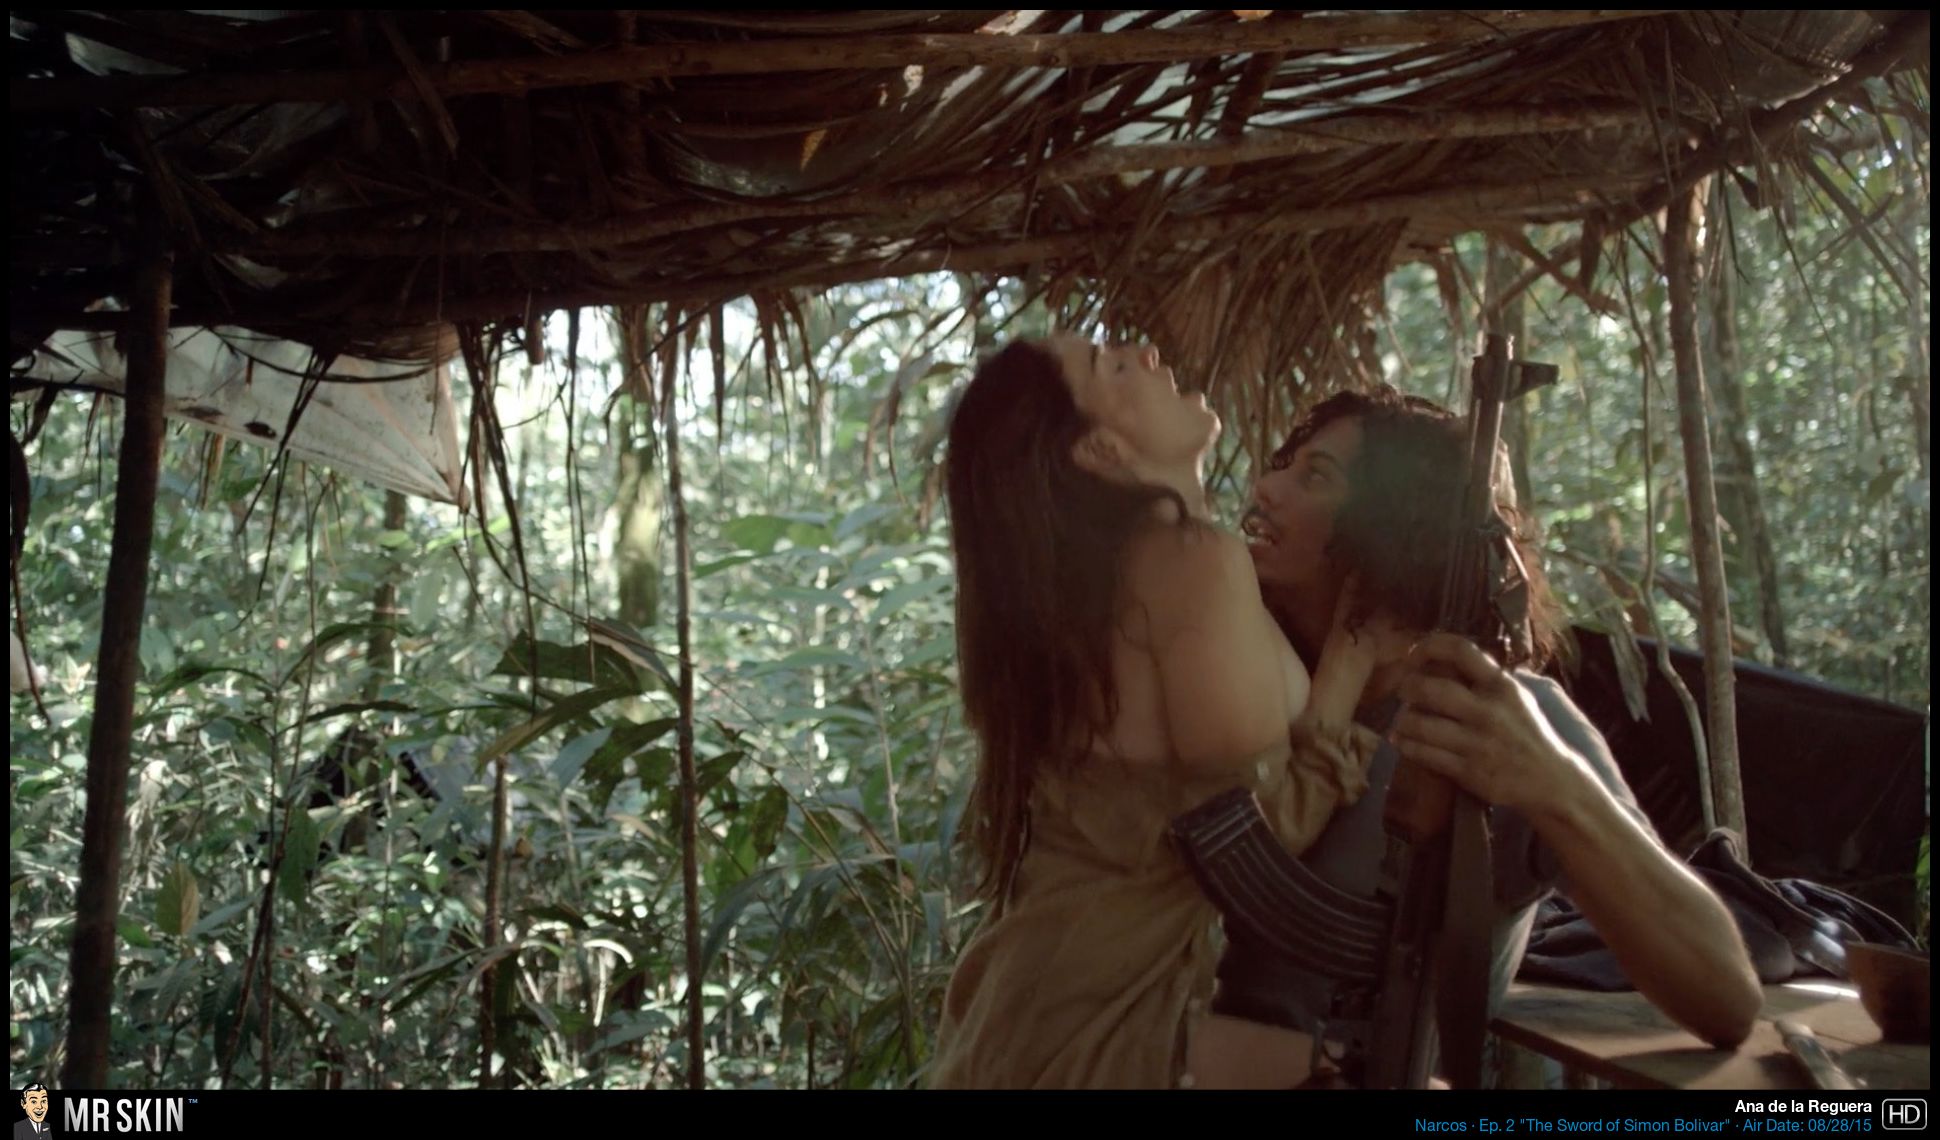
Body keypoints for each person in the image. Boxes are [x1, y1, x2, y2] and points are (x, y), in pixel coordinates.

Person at [1189, 383, 1764, 1087]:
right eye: (1284, 464)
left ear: (1389, 529)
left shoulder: (1491, 719)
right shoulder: (1240, 680)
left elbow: (1725, 998)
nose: (1265, 488)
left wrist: (1554, 786)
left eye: (1315, 476)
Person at [925, 334, 1396, 1089]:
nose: (1145, 352)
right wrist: (1351, 657)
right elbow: (1257, 848)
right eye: (1112, 366)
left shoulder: (1134, 572)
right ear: (1101, 449)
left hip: (1060, 1005)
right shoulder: (1186, 562)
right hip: (1089, 1025)